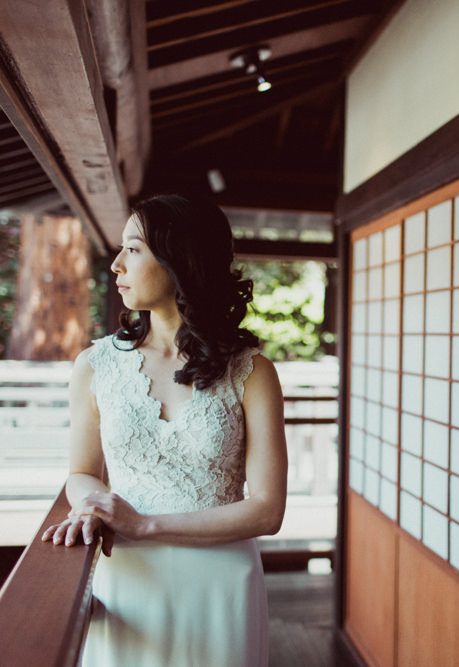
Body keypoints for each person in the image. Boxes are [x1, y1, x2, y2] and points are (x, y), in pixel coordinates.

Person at [42, 194, 287, 666]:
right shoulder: (96, 366)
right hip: (129, 578)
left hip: (221, 587)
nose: (115, 265)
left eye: (133, 249)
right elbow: (81, 472)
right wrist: (94, 505)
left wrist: (143, 524)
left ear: (182, 260)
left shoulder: (252, 372)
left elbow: (267, 510)